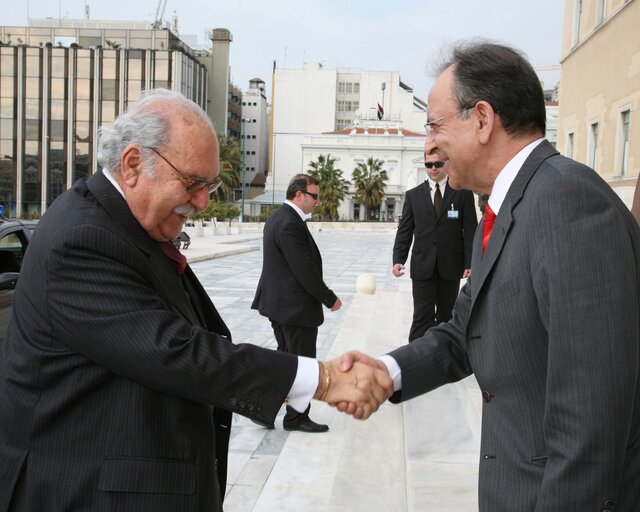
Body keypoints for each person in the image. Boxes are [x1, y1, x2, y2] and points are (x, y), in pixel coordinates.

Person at [0, 89, 392, 511]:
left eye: (211, 185)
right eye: (192, 183)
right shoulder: (82, 239)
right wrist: (325, 380)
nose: (203, 202)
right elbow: (176, 352)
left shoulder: (119, 221)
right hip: (85, 492)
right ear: (133, 165)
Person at [340, 40, 640, 511]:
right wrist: (389, 372)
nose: (429, 144)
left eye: (435, 126)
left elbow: (591, 427)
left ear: (482, 119)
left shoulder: (569, 204)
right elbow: (465, 331)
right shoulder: (503, 209)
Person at [252, 174, 342, 433]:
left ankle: (261, 407)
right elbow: (303, 268)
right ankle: (295, 418)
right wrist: (328, 297)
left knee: (286, 361)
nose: (317, 201)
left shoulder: (279, 218)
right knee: (304, 365)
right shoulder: (289, 223)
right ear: (299, 195)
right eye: (314, 196)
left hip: (280, 306)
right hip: (294, 310)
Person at [392, 154, 477, 342]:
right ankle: (416, 358)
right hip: (423, 266)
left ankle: (441, 359)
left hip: (450, 267)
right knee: (422, 316)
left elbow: (470, 230)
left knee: (447, 317)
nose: (433, 168)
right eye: (429, 164)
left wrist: (470, 261)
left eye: (438, 164)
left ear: (446, 164)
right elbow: (405, 231)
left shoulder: (462, 193)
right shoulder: (413, 196)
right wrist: (398, 259)